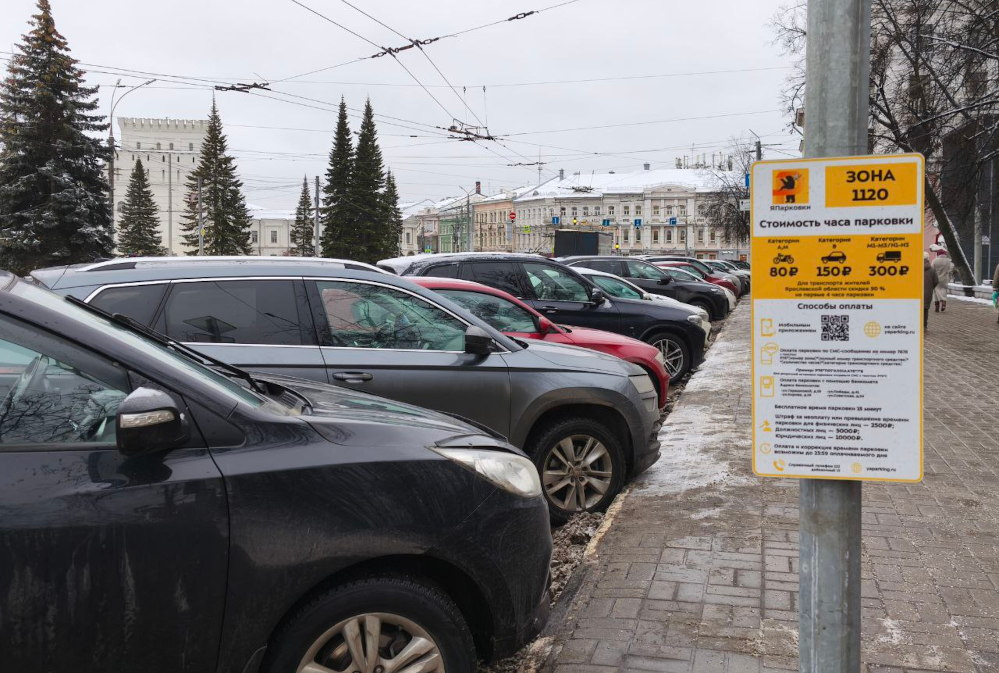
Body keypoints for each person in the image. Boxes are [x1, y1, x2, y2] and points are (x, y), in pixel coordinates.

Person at [924, 252, 938, 330]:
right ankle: (924, 324)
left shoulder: (915, 268)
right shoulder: (932, 270)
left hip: (916, 293)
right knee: (925, 309)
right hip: (928, 292)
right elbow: (936, 281)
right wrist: (930, 287)